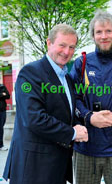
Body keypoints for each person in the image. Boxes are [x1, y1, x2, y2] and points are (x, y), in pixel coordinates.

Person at [3, 24, 88, 184]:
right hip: (34, 169)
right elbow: (34, 118)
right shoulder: (30, 73)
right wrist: (73, 133)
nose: (67, 52)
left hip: (57, 166)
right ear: (49, 43)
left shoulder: (67, 78)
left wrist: (81, 125)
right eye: (62, 45)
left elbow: (65, 113)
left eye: (71, 47)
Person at [70, 10, 112, 184]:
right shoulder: (81, 63)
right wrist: (89, 117)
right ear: (93, 36)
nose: (104, 36)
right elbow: (72, 99)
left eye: (108, 31)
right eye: (99, 32)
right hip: (86, 148)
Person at [0, 84, 10, 151]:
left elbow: (8, 96)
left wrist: (4, 94)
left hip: (2, 110)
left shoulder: (2, 86)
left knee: (1, 127)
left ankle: (1, 145)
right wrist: (2, 94)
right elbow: (4, 95)